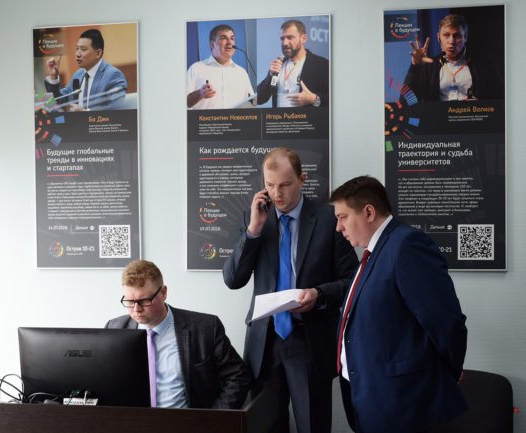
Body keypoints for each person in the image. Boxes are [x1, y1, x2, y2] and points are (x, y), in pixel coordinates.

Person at [223, 147, 358, 433]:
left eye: (285, 185)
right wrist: (254, 230)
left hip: (309, 340)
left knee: (312, 425)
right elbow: (233, 279)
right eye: (270, 185)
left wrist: (319, 294)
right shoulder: (253, 218)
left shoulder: (329, 219)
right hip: (264, 344)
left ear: (302, 179)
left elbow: (353, 281)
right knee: (264, 426)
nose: (276, 194)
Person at [329, 175, 468, 433]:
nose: (338, 227)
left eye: (343, 217)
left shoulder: (406, 245)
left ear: (368, 212)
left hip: (400, 402)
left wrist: (449, 370)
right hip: (370, 395)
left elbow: (445, 319)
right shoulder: (373, 253)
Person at [106, 259, 251, 409]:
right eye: (130, 301)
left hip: (189, 420)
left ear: (163, 293)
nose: (136, 309)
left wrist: (212, 418)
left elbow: (237, 376)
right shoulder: (114, 329)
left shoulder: (205, 328)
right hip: (132, 420)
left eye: (144, 301)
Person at [404, 14, 503, 101]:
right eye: (446, 35)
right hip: (439, 117)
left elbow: (500, 101)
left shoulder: (484, 65)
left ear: (465, 37)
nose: (451, 41)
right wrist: (415, 67)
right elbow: (406, 100)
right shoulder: (429, 66)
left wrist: (480, 105)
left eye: (457, 36)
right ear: (438, 37)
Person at [45, 29, 127, 111]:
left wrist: (86, 113)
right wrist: (53, 77)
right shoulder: (77, 75)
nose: (77, 54)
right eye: (77, 49)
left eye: (83, 49)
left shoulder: (113, 75)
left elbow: (117, 110)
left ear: (98, 53)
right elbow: (58, 101)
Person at [257, 20, 329, 108]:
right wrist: (270, 76)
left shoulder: (322, 65)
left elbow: (334, 99)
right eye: (282, 39)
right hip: (277, 117)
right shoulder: (279, 65)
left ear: (303, 39)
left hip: (305, 117)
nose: (285, 43)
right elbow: (259, 99)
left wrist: (314, 99)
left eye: (290, 37)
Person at [187, 24, 255, 109]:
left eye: (232, 38)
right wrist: (200, 93)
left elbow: (251, 104)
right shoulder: (195, 69)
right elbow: (183, 103)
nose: (230, 42)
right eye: (223, 38)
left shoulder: (242, 73)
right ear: (212, 44)